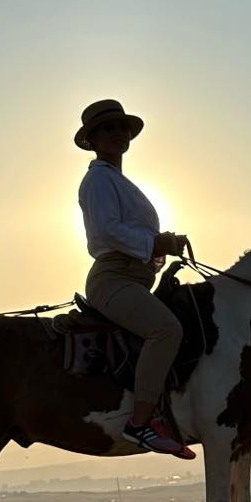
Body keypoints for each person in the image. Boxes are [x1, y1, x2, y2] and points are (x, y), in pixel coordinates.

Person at [75, 99, 197, 458]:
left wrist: (160, 249)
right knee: (166, 329)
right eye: (108, 128)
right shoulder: (98, 178)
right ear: (93, 139)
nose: (117, 133)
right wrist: (156, 242)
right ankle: (140, 423)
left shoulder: (117, 180)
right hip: (113, 279)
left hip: (134, 277)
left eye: (121, 128)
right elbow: (107, 231)